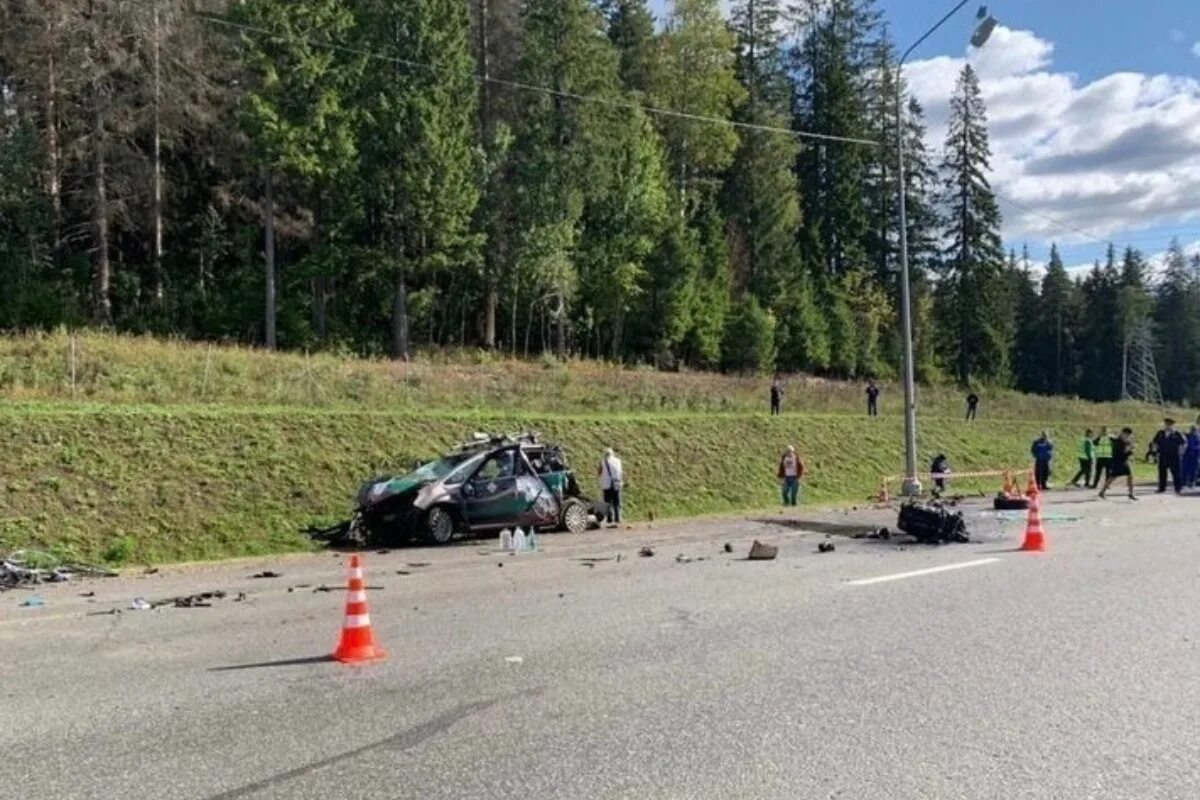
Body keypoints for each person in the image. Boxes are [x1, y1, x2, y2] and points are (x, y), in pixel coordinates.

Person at [1099, 428, 1137, 501]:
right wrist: (1130, 451)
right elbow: (1121, 454)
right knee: (1113, 477)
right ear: (1122, 433)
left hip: (1122, 462)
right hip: (1118, 461)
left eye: (1129, 435)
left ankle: (1131, 493)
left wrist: (1130, 448)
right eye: (1126, 435)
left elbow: (1126, 449)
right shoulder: (1118, 442)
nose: (1127, 436)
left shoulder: (1124, 442)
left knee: (1128, 476)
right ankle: (1102, 492)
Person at [1151, 418, 1187, 494]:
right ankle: (1161, 488)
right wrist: (1154, 452)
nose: (1167, 426)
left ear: (1172, 425)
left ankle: (1178, 488)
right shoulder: (1160, 433)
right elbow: (1154, 442)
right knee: (1162, 472)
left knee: (1176, 473)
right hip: (1163, 455)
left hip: (1174, 456)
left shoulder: (1177, 433)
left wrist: (1181, 453)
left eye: (1169, 425)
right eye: (1166, 424)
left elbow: (1184, 444)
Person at [598, 447, 624, 527]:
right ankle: (618, 518)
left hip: (606, 484)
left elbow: (599, 472)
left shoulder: (603, 462)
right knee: (617, 501)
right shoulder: (618, 461)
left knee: (608, 502)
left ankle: (610, 519)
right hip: (616, 483)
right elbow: (620, 472)